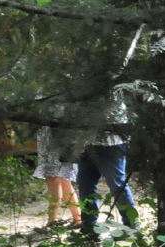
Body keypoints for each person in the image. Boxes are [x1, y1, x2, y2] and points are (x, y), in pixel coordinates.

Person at [77, 91, 138, 231]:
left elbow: (107, 111)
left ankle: (131, 225)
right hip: (88, 141)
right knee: (85, 183)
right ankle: (89, 227)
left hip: (112, 141)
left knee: (116, 183)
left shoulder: (110, 79)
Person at [33, 125, 81, 226]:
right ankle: (78, 219)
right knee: (65, 181)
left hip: (53, 136)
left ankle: (52, 220)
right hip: (66, 134)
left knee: (54, 179)